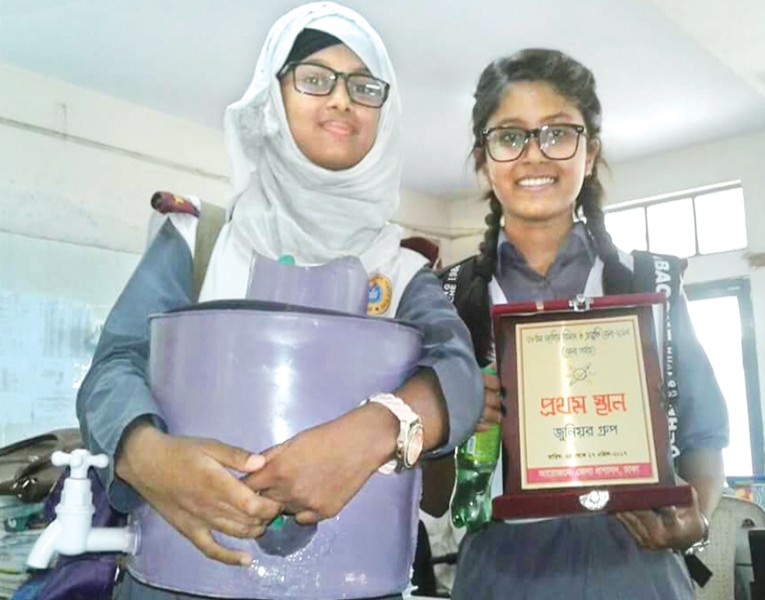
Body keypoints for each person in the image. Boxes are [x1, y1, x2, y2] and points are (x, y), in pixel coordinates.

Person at [76, 3, 482, 599]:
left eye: (363, 87)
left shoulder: (401, 272)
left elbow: (459, 376)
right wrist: (147, 456)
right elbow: (112, 368)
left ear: (384, 113)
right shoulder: (198, 242)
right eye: (315, 79)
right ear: (273, 98)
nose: (341, 100)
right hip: (175, 580)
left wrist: (372, 433)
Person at [439, 48, 729, 599]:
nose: (534, 154)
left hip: (639, 574)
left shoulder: (652, 284)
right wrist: (456, 418)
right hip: (500, 580)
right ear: (484, 159)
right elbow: (430, 493)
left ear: (590, 153)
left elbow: (703, 437)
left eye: (557, 133)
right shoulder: (447, 298)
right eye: (510, 136)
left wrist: (698, 521)